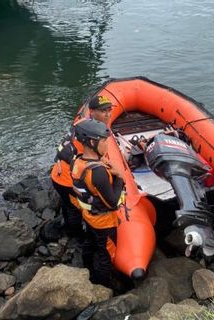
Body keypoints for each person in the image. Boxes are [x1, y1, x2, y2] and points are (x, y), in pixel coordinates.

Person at [50, 95, 114, 238]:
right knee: (75, 209)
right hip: (67, 181)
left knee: (67, 205)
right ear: (91, 111)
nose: (108, 114)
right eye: (103, 111)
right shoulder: (89, 135)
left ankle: (69, 227)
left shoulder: (82, 124)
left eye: (109, 110)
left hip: (59, 174)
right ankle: (77, 236)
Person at [71, 119, 125, 288]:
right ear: (92, 142)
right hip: (104, 222)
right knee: (106, 254)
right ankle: (103, 286)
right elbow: (113, 203)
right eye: (104, 141)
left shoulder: (77, 161)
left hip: (88, 215)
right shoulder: (98, 172)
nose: (107, 145)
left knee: (90, 242)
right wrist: (120, 178)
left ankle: (87, 267)